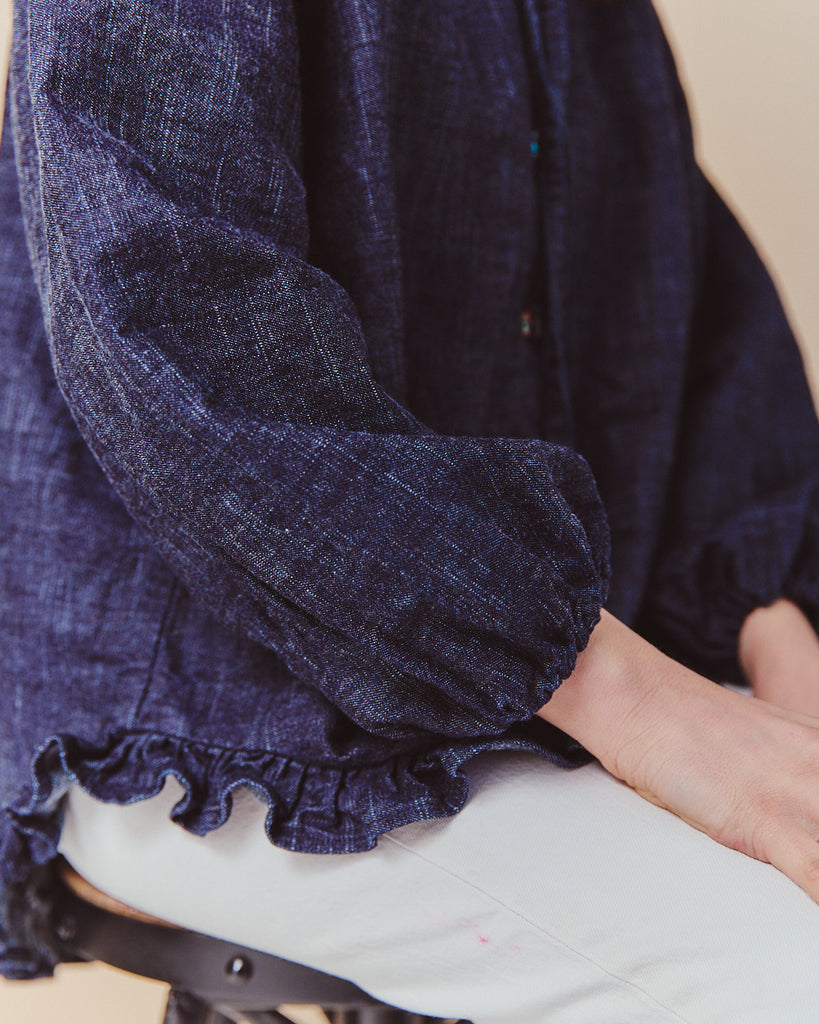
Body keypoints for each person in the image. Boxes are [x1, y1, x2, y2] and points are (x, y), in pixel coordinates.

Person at [3, 0, 819, 1019]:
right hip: (215, 697)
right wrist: (647, 708)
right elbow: (177, 324)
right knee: (792, 972)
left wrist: (775, 641)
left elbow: (670, 265)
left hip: (555, 673)